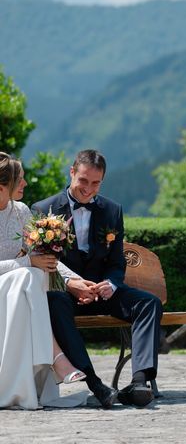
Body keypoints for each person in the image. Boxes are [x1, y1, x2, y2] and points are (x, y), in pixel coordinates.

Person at [32, 150, 163, 408]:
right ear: (72, 172)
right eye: (83, 180)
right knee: (53, 302)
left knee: (149, 303)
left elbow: (116, 263)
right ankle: (96, 384)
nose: (88, 189)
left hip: (102, 292)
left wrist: (111, 285)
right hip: (65, 294)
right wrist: (72, 285)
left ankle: (139, 382)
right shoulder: (43, 209)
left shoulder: (113, 211)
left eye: (95, 183)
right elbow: (44, 263)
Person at [0, 153, 87, 409]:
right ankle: (57, 358)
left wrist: (76, 281)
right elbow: (32, 261)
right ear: (1, 187)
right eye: (20, 179)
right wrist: (27, 263)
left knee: (31, 277)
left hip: (18, 293)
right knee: (29, 274)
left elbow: (43, 258)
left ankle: (55, 358)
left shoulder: (21, 211)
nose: (25, 184)